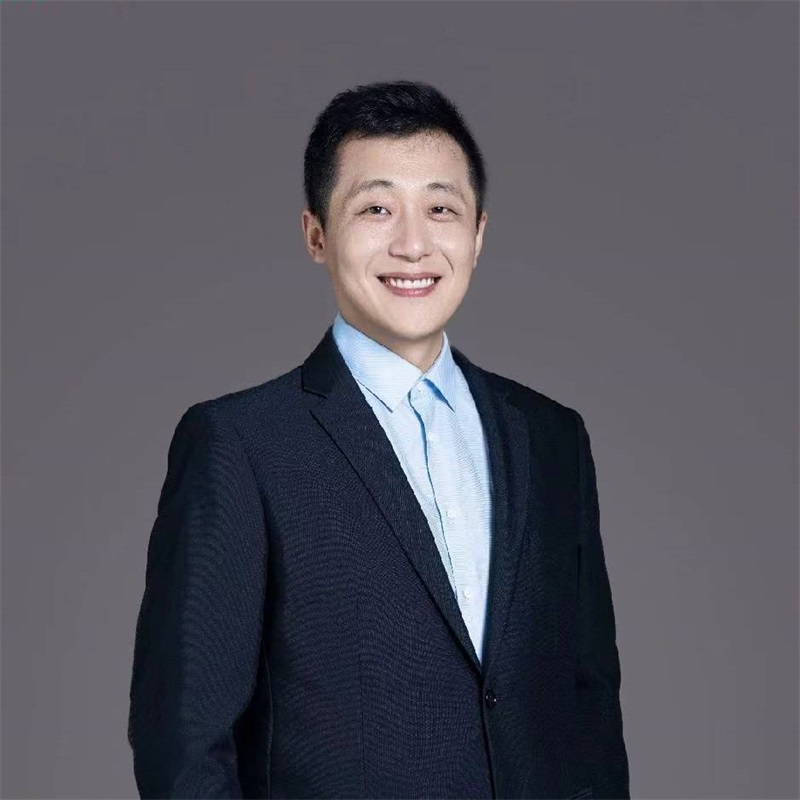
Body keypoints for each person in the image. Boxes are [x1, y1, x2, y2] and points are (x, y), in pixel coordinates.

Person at [127, 79, 630, 800]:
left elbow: (590, 707)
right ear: (317, 235)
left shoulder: (552, 438)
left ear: (478, 233)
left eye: (440, 208)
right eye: (375, 208)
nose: (413, 244)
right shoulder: (240, 444)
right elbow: (182, 740)